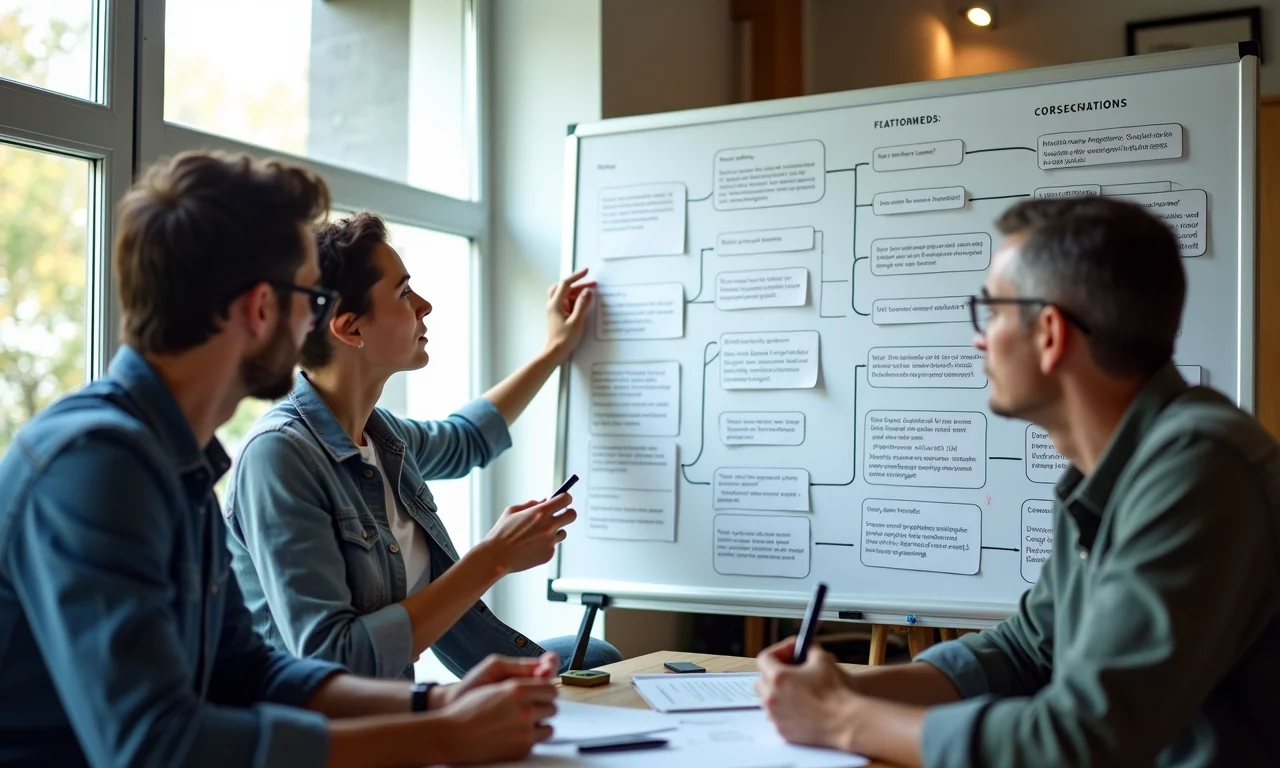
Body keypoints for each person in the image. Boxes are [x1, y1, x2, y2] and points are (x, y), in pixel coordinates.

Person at [0, 152, 564, 768]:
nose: (314, 322)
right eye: (309, 298)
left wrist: (434, 704)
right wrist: (441, 735)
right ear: (260, 308)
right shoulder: (98, 467)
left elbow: (250, 674)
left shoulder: (178, 464)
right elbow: (156, 747)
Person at [755, 197, 1280, 767]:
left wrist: (839, 720)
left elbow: (1081, 741)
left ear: (1050, 333)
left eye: (993, 311)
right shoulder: (1103, 469)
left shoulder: (1200, 472)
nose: (980, 338)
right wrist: (847, 691)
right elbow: (1027, 651)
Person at [225, 211, 621, 680]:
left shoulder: (382, 435)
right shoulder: (279, 457)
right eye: (403, 292)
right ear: (351, 329)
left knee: (597, 658)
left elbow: (468, 437)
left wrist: (556, 348)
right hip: (327, 731)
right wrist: (491, 559)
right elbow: (333, 659)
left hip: (393, 699)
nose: (424, 305)